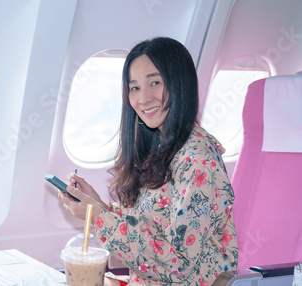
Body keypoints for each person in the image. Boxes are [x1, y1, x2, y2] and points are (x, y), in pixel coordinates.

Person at [57, 37, 238, 285]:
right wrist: (97, 205)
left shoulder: (198, 160)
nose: (143, 98)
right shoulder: (162, 147)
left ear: (179, 85)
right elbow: (147, 229)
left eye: (154, 83)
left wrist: (97, 215)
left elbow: (178, 264)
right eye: (135, 88)